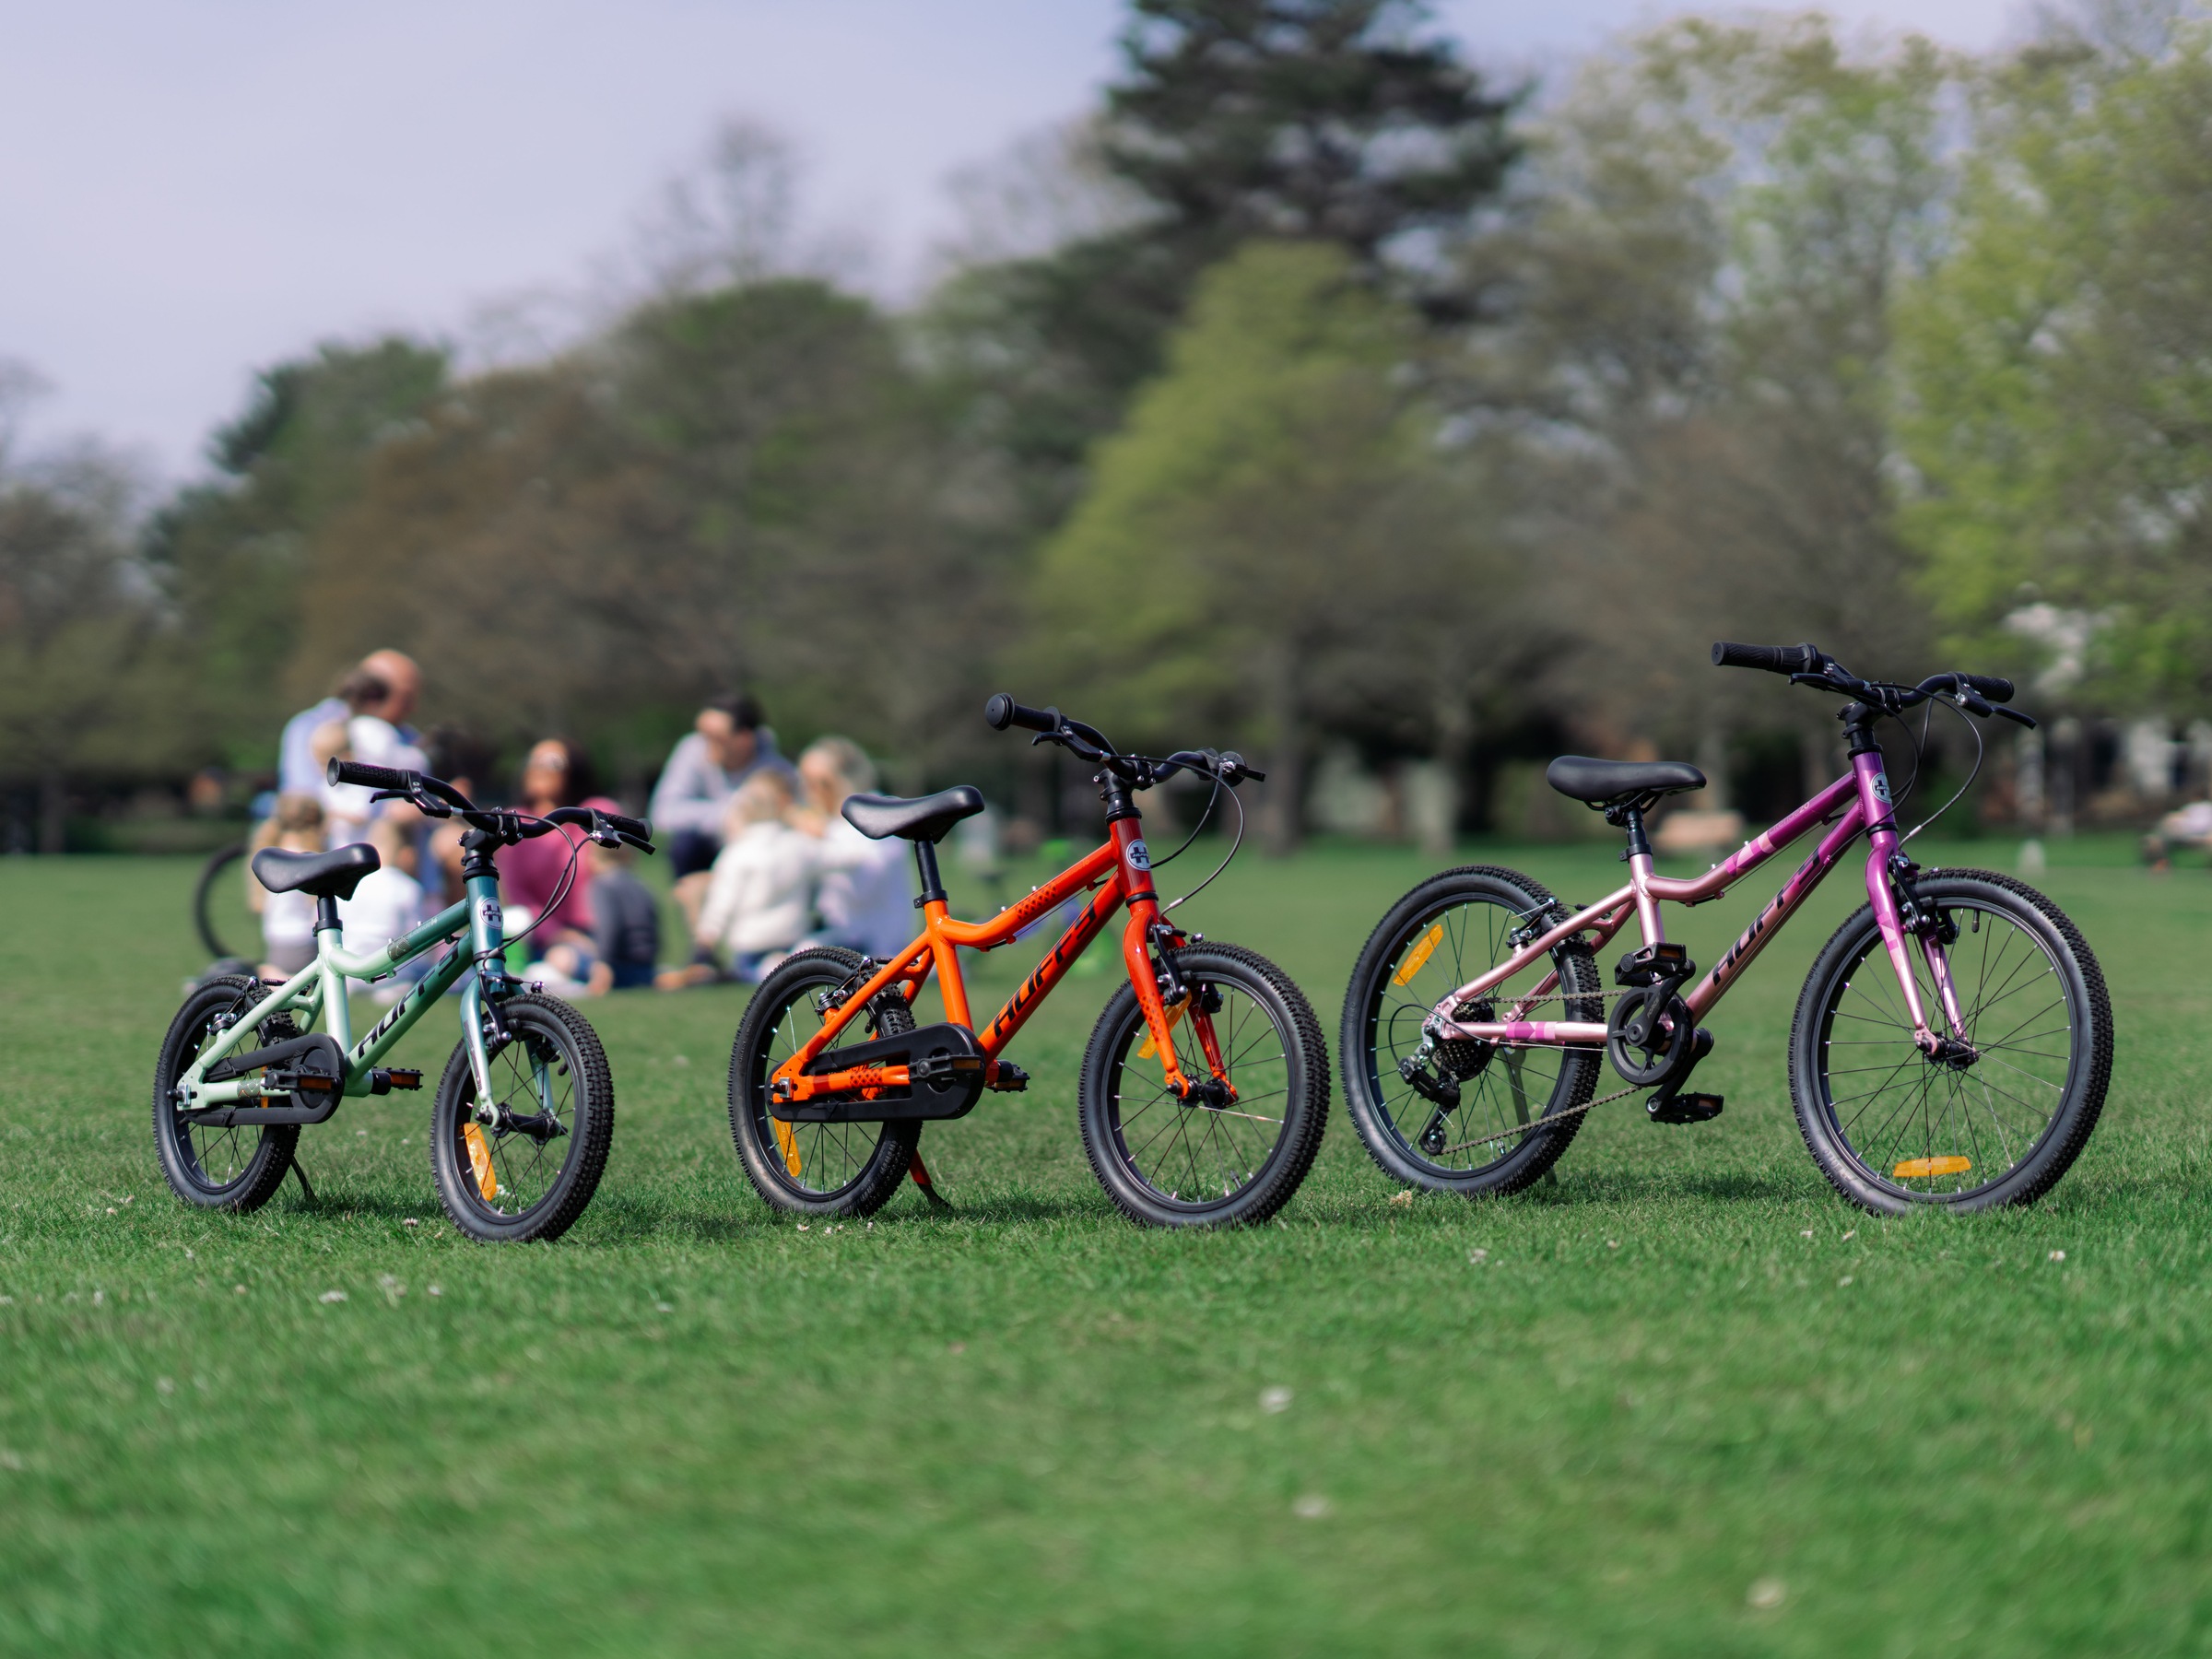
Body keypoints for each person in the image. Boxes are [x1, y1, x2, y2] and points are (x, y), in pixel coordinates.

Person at [650, 692, 798, 880]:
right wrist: (726, 815)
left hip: (759, 856)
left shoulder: (777, 770)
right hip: (707, 850)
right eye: (703, 734)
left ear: (744, 739)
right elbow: (664, 812)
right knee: (685, 845)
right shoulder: (692, 749)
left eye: (716, 738)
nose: (705, 744)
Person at [689, 771, 818, 982]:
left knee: (752, 976)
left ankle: (762, 971)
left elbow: (722, 902)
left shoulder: (738, 851)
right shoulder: (801, 845)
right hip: (793, 940)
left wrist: (705, 942)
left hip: (750, 945)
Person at [796, 735, 914, 960]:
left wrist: (821, 838)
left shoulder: (874, 813)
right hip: (850, 931)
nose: (809, 792)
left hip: (875, 938)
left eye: (820, 783)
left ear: (844, 779)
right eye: (804, 782)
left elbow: (868, 881)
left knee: (797, 959)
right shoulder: (834, 822)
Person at [538, 800, 664, 994]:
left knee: (559, 955)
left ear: (594, 858)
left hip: (617, 968)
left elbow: (609, 926)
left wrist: (603, 964)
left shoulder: (601, 885)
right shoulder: (639, 884)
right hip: (645, 967)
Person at [278, 649, 423, 798]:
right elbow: (304, 794)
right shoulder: (311, 727)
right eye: (406, 698)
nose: (413, 709)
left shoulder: (408, 736)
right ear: (373, 694)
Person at [499, 737, 596, 957]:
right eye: (534, 762)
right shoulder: (514, 821)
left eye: (552, 762)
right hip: (539, 937)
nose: (539, 769)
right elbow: (516, 892)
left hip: (596, 933)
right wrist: (555, 935)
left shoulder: (594, 813)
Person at [337, 815, 430, 1002]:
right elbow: (416, 940)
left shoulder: (350, 884)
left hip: (350, 973)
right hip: (392, 978)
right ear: (407, 854)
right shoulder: (409, 888)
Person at [251, 793, 325, 979]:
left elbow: (259, 905)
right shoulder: (309, 854)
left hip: (275, 943)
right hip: (303, 944)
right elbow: (314, 906)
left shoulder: (268, 851)